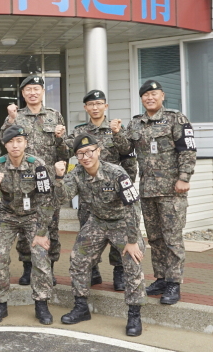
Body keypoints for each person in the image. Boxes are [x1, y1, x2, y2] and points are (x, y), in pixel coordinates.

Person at [111, 80, 197, 305]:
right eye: (145, 95)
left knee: (172, 238)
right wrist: (118, 133)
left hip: (171, 191)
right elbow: (126, 149)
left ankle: (174, 283)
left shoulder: (175, 118)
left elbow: (187, 150)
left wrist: (184, 177)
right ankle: (160, 279)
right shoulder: (136, 123)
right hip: (147, 191)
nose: (149, 97)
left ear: (162, 95)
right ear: (141, 99)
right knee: (156, 239)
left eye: (154, 93)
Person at [55, 134, 146, 337]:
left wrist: (132, 241)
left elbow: (133, 207)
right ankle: (81, 307)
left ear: (98, 151)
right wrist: (59, 178)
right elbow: (63, 197)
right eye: (80, 153)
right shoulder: (76, 173)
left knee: (133, 261)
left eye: (89, 151)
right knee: (78, 258)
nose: (86, 156)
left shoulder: (116, 173)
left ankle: (134, 314)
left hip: (122, 222)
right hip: (97, 221)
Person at [0, 125, 55, 325]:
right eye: (11, 142)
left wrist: (41, 232)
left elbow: (47, 200)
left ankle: (41, 303)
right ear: (5, 145)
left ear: (26, 143)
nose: (15, 146)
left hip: (33, 215)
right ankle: (0, 303)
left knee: (40, 257)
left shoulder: (37, 165)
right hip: (7, 215)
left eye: (19, 141)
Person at [66, 89, 137, 291]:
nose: (95, 107)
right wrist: (57, 138)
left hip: (113, 192)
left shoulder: (116, 128)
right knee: (88, 230)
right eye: (91, 104)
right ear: (85, 108)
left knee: (117, 234)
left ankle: (119, 272)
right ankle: (92, 271)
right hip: (88, 191)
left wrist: (117, 134)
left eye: (99, 104)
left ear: (105, 106)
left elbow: (128, 155)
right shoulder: (80, 131)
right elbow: (65, 149)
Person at [0, 74, 68, 286]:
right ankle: (28, 267)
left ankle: (50, 267)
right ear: (22, 93)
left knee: (51, 225)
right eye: (28, 89)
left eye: (36, 89)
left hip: (47, 182)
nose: (32, 92)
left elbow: (64, 152)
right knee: (24, 227)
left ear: (42, 92)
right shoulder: (15, 117)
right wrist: (10, 120)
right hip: (23, 181)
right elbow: (2, 143)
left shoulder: (54, 115)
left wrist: (59, 139)